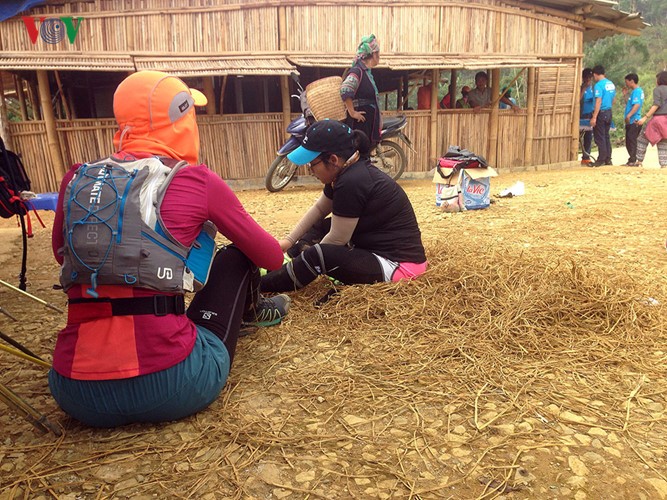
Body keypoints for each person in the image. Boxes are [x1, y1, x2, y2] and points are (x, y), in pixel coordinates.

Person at [48, 70, 290, 428]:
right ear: (182, 121)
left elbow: (61, 253)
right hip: (175, 384)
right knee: (237, 256)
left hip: (76, 393)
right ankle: (254, 313)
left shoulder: (76, 178)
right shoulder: (196, 180)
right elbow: (270, 258)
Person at [261, 120, 427, 293]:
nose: (310, 169)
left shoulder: (352, 181)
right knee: (322, 227)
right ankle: (283, 264)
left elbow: (336, 241)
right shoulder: (344, 171)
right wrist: (288, 241)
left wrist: (308, 261)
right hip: (373, 250)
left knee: (320, 254)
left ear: (333, 160)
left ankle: (259, 286)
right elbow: (319, 209)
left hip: (398, 267)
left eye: (312, 163)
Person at [341, 34, 382, 146]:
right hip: (359, 124)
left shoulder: (366, 72)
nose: (379, 56)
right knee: (358, 155)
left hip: (366, 123)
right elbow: (345, 90)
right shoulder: (357, 71)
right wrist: (352, 112)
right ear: (373, 54)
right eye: (378, 53)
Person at [635, 71, 667, 168]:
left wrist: (645, 117)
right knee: (663, 142)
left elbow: (656, 104)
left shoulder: (658, 90)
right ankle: (664, 164)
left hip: (658, 119)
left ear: (659, 80)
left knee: (642, 138)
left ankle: (639, 161)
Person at [590, 65, 616, 167]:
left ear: (595, 74)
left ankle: (601, 159)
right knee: (606, 136)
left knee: (600, 136)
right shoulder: (611, 84)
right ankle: (608, 159)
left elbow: (598, 101)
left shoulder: (599, 85)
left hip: (601, 112)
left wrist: (594, 117)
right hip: (609, 111)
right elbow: (614, 99)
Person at [622, 73, 644, 166]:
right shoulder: (634, 92)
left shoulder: (637, 91)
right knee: (629, 140)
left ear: (631, 81)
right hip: (631, 120)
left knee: (631, 140)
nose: (626, 84)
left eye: (627, 82)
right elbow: (630, 104)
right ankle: (632, 159)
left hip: (634, 120)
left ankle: (633, 160)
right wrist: (625, 96)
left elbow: (637, 105)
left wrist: (629, 115)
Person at [580, 68, 595, 164]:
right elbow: (578, 100)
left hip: (590, 114)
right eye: (587, 78)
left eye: (590, 78)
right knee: (578, 135)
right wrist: (583, 89)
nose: (589, 80)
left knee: (589, 136)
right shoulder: (581, 88)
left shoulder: (593, 89)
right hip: (582, 114)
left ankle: (586, 156)